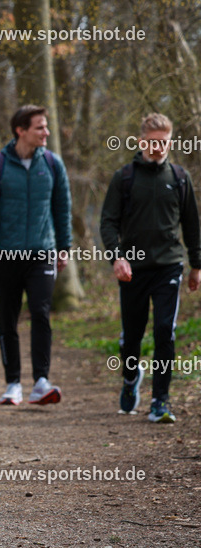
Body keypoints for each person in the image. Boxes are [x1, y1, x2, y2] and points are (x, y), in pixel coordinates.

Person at [100, 113, 200, 423]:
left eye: (164, 142)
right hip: (133, 268)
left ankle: (160, 401)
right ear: (141, 141)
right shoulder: (124, 178)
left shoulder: (180, 178)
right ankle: (131, 378)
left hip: (169, 266)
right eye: (153, 142)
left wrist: (196, 265)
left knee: (164, 331)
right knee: (132, 335)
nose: (158, 147)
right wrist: (117, 257)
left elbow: (192, 224)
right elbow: (108, 222)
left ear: (171, 141)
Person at [0, 104, 72, 406]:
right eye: (40, 127)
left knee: (41, 313)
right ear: (21, 130)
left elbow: (62, 208)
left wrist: (64, 247)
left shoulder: (53, 164)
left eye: (46, 126)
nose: (46, 132)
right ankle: (13, 383)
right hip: (5, 256)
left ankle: (41, 381)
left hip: (42, 253)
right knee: (8, 319)